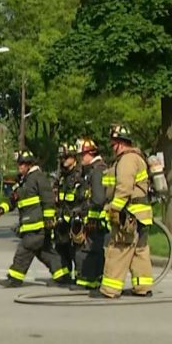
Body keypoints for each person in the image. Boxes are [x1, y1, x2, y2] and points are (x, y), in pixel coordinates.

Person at [0, 151, 70, 288]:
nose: (20, 167)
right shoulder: (23, 181)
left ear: (30, 165)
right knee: (45, 253)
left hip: (37, 226)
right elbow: (13, 199)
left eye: (23, 164)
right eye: (19, 164)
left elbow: (48, 200)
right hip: (30, 225)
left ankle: (14, 278)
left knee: (24, 249)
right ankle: (62, 276)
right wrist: (1, 209)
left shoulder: (38, 178)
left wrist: (48, 220)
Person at [93, 125, 153, 299]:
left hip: (129, 214)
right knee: (139, 250)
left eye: (113, 144)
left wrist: (115, 209)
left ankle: (110, 290)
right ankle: (143, 287)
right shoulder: (136, 158)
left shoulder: (127, 160)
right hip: (141, 215)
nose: (112, 148)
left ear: (119, 143)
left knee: (119, 248)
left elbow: (124, 188)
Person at [73, 137, 108, 290]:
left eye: (81, 156)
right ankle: (94, 280)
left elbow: (98, 199)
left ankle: (88, 281)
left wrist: (83, 209)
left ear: (90, 154)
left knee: (88, 250)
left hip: (96, 219)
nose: (80, 159)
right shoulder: (92, 171)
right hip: (94, 219)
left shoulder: (97, 171)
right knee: (94, 250)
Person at [55, 143, 85, 283]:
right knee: (62, 248)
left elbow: (83, 198)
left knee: (77, 251)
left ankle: (80, 277)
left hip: (75, 220)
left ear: (74, 158)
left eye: (66, 157)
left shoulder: (80, 175)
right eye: (62, 158)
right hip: (62, 220)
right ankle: (65, 276)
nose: (64, 160)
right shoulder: (62, 176)